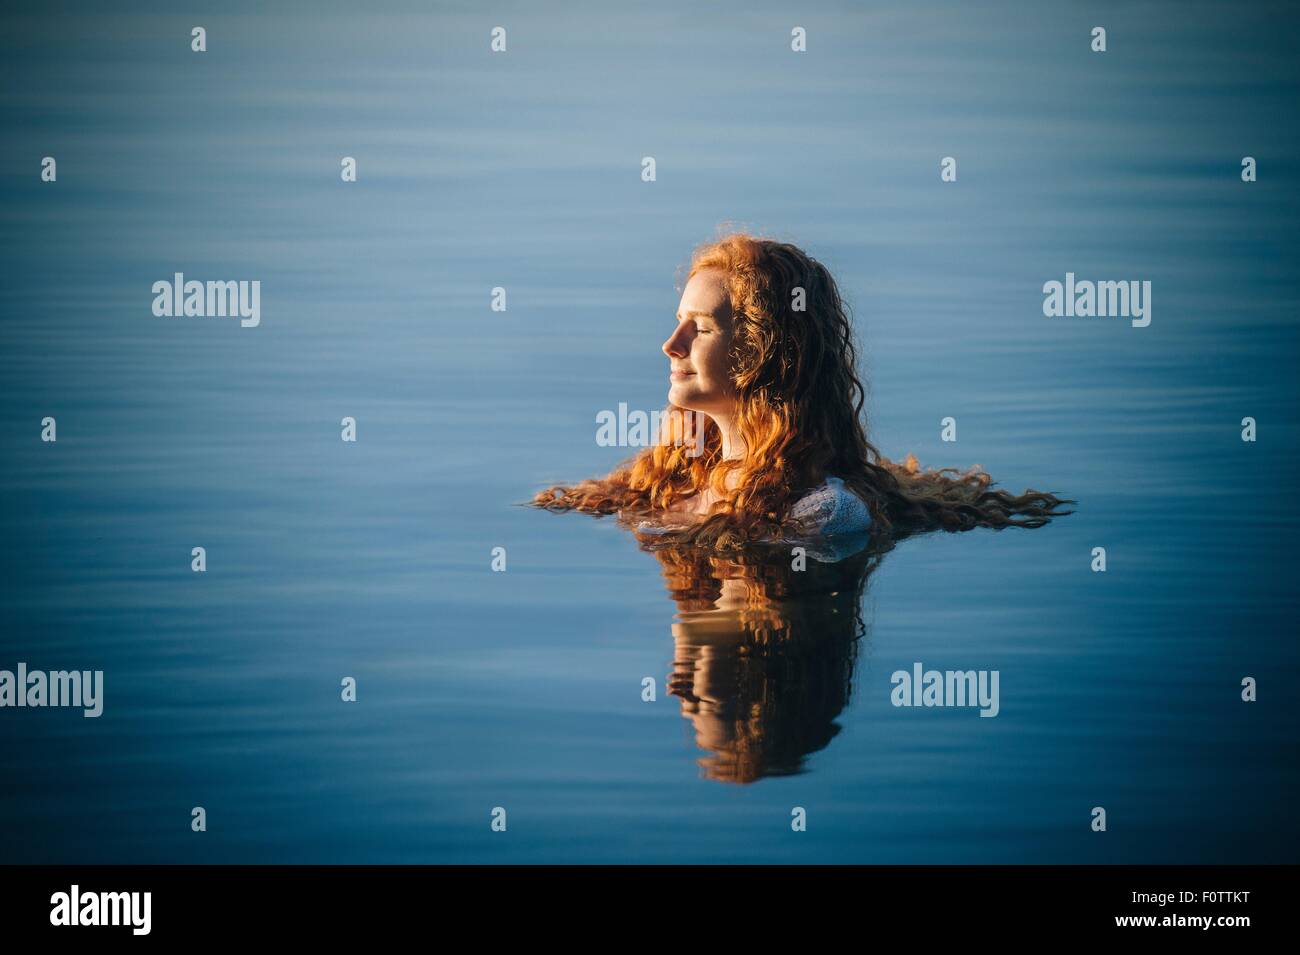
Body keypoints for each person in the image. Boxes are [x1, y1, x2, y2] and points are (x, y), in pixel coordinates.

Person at [534, 232, 1072, 549]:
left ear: (765, 354)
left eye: (700, 327)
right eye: (679, 322)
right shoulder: (669, 483)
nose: (670, 344)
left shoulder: (822, 513)